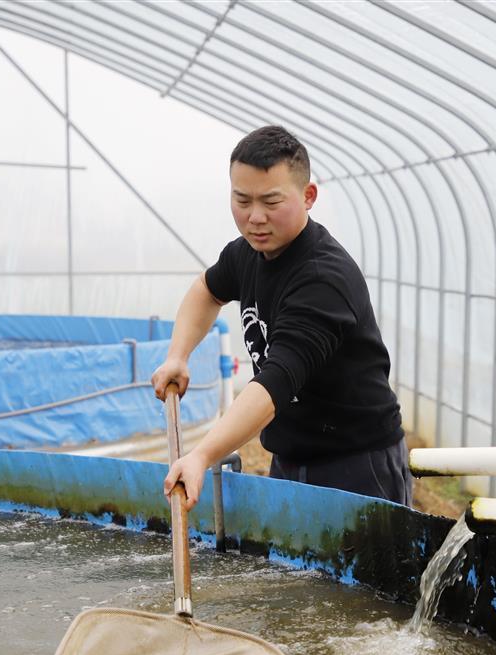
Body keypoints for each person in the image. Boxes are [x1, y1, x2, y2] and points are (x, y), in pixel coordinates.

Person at [150, 125, 411, 511]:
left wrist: (202, 455)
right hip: (289, 457)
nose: (255, 217)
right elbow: (206, 291)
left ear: (308, 196)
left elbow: (274, 384)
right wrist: (178, 355)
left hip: (356, 465)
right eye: (242, 200)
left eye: (271, 202)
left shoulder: (323, 278)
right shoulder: (246, 254)